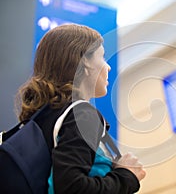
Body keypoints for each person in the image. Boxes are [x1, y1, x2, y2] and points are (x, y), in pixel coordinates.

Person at [15, 24, 146, 193]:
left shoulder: (40, 119)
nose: (108, 67)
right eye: (102, 57)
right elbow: (72, 187)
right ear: (85, 61)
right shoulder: (83, 114)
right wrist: (127, 176)